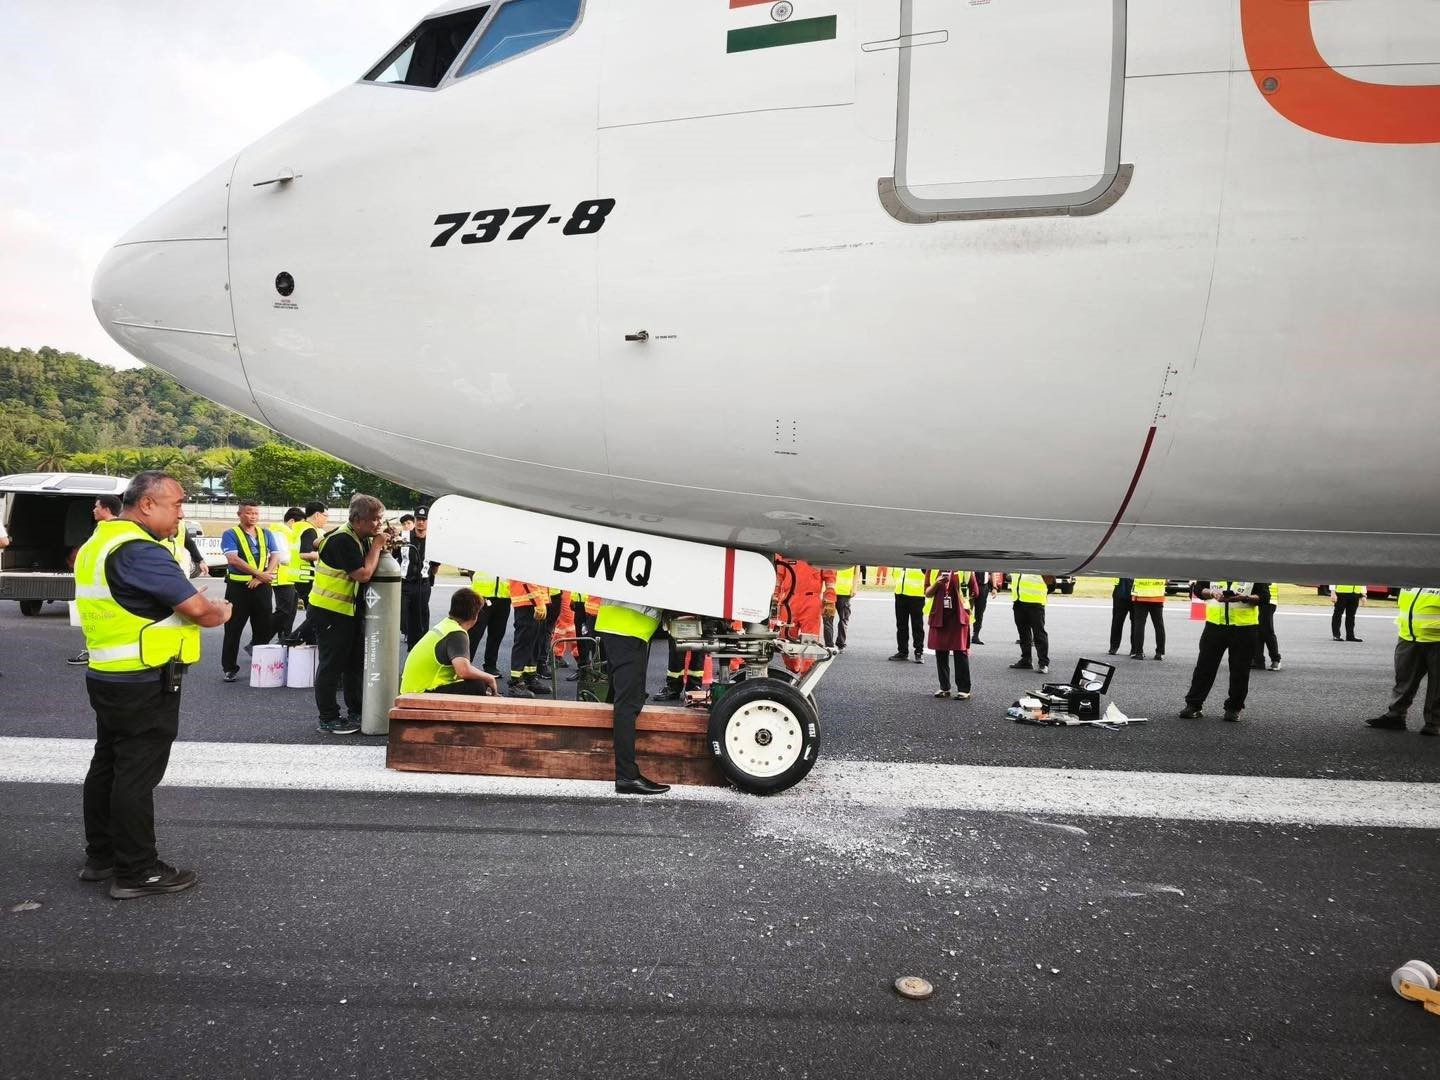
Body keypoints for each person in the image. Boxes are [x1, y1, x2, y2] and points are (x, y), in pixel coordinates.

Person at [72, 471, 232, 899]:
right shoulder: (140, 550)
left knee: (107, 763)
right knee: (136, 775)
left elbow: (134, 603)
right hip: (144, 677)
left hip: (107, 673)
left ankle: (101, 856)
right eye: (176, 504)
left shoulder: (98, 543)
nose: (181, 513)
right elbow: (200, 611)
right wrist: (219, 610)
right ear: (147, 504)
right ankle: (137, 870)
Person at [310, 493, 395, 734]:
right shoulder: (343, 540)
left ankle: (356, 710)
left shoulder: (358, 535)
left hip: (348, 612)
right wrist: (378, 545)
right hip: (329, 612)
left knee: (355, 664)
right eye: (375, 520)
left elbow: (317, 543)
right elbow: (363, 574)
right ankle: (328, 717)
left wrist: (380, 542)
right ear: (357, 520)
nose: (379, 524)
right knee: (331, 666)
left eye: (381, 519)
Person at [594, 600, 670, 795]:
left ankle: (619, 770)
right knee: (628, 704)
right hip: (628, 628)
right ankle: (627, 776)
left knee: (624, 698)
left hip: (621, 625)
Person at [1179, 581, 1266, 722]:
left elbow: (1264, 597)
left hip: (1244, 627)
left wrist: (1244, 597)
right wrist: (1212, 593)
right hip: (1215, 626)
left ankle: (1234, 708)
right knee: (1204, 667)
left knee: (1240, 670)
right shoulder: (1216, 567)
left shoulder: (1251, 571)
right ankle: (1193, 705)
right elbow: (1199, 589)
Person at [1363, 588, 1440, 736]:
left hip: (1436, 638)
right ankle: (1395, 716)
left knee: (1437, 685)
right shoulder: (1411, 576)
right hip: (1408, 636)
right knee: (1403, 678)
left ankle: (1434, 723)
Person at [219, 501, 280, 682]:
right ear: (239, 514)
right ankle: (229, 668)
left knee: (263, 627)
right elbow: (233, 559)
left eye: (255, 513)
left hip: (262, 587)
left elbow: (275, 555)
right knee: (233, 629)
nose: (253, 516)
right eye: (248, 513)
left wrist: (263, 576)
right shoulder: (230, 534)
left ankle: (261, 667)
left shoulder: (265, 533)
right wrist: (259, 574)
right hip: (238, 589)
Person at [399, 588, 500, 696]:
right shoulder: (457, 634)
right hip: (420, 694)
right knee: (478, 685)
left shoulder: (446, 625)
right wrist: (489, 677)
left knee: (477, 681)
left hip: (412, 690)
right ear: (475, 615)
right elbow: (463, 671)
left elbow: (461, 673)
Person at [66, 495, 124, 666]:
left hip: (107, 587)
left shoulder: (115, 529)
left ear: (106, 509)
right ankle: (96, 653)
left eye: (96, 506)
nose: (93, 510)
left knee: (109, 623)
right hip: (100, 589)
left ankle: (102, 655)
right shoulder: (101, 528)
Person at [925, 570, 976, 699]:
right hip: (939, 615)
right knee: (940, 652)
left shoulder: (965, 570)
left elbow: (975, 591)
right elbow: (927, 593)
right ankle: (944, 687)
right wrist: (937, 583)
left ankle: (964, 690)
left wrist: (963, 605)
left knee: (960, 652)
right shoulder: (932, 569)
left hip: (958, 616)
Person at [284, 502, 328, 645]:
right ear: (317, 514)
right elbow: (304, 553)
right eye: (325, 516)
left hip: (298, 576)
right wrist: (324, 555)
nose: (326, 519)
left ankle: (307, 642)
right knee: (316, 615)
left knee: (313, 615)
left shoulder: (298, 527)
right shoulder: (309, 530)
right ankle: (291, 641)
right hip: (306, 576)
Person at [398, 506, 437, 652]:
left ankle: (421, 649)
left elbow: (435, 566)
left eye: (424, 519)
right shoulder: (404, 536)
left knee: (421, 618)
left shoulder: (433, 540)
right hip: (406, 584)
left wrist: (428, 581)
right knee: (407, 618)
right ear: (414, 520)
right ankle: (411, 647)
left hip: (423, 584)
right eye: (418, 519)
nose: (421, 522)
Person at [507, 581, 553, 697]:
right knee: (524, 642)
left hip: (536, 601)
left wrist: (541, 602)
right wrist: (538, 602)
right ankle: (515, 683)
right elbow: (527, 579)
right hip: (528, 601)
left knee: (535, 642)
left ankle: (530, 677)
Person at [466, 571, 511, 676]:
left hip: (504, 596)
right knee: (474, 633)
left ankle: (490, 665)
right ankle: (465, 663)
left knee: (497, 633)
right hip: (481, 595)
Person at [272, 507, 305, 641]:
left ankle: (285, 640)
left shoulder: (289, 532)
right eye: (300, 524)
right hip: (282, 577)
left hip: (291, 577)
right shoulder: (280, 532)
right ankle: (259, 638)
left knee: (290, 613)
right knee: (283, 612)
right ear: (292, 521)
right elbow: (283, 557)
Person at [1009, 573, 1052, 674]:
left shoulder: (1037, 564)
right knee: (1023, 633)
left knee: (1039, 634)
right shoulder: (1018, 564)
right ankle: (1026, 660)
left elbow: (1051, 583)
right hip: (1018, 602)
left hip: (1035, 603)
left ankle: (1043, 663)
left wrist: (1041, 595)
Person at [888, 567, 928, 663]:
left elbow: (927, 574)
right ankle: (902, 651)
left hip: (916, 594)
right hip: (900, 593)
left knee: (917, 626)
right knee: (901, 625)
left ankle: (919, 652)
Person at [1129, 577, 1166, 660]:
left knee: (1139, 625)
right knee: (1159, 626)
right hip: (1157, 595)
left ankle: (1138, 652)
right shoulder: (1162, 564)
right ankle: (1160, 653)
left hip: (1141, 596)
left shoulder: (1139, 563)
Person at [823, 565, 858, 651]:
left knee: (843, 619)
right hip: (830, 590)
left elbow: (856, 572)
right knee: (828, 618)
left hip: (844, 592)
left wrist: (854, 588)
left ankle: (840, 643)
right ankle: (829, 644)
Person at [1253, 581, 1283, 671]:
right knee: (1256, 629)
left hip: (1268, 600)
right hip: (1256, 598)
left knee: (1266, 630)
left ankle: (1275, 660)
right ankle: (1258, 660)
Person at [1107, 577, 1133, 656]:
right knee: (1136, 623)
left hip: (1121, 593)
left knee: (1117, 622)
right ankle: (1135, 649)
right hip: (1132, 594)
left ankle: (1113, 647)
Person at [970, 571, 991, 645]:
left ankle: (976, 635)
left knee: (980, 612)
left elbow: (992, 572)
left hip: (983, 586)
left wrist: (994, 587)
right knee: (967, 611)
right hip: (970, 585)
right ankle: (964, 634)